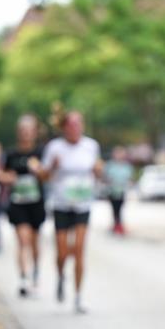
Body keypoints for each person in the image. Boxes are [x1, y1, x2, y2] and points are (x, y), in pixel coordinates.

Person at [41, 110, 103, 314]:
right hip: (61, 204)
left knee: (79, 249)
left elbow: (97, 172)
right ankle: (60, 276)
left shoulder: (91, 146)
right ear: (64, 128)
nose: (75, 128)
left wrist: (98, 171)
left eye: (78, 124)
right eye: (71, 125)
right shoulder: (54, 147)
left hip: (83, 204)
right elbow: (43, 176)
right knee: (62, 253)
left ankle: (78, 296)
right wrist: (52, 167)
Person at [3, 115, 47, 297]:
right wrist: (9, 178)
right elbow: (3, 175)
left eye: (29, 130)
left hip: (36, 203)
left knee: (34, 242)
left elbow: (48, 176)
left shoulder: (41, 152)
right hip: (18, 203)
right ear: (18, 133)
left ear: (35, 132)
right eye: (23, 131)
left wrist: (39, 171)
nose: (26, 134)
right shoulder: (11, 154)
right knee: (23, 240)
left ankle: (35, 273)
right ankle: (23, 279)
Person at [104, 146, 133, 235]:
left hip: (122, 191)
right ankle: (116, 224)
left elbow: (129, 178)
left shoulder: (126, 166)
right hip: (112, 191)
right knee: (114, 208)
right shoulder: (110, 165)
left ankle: (118, 224)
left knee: (120, 208)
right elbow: (105, 177)